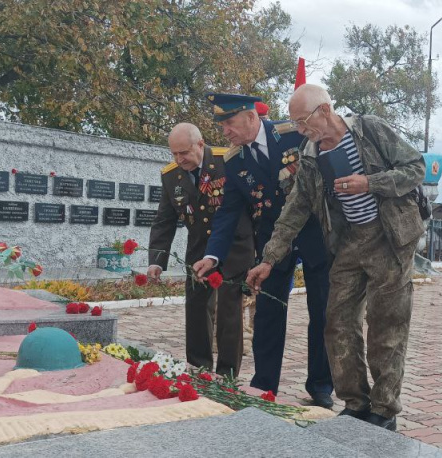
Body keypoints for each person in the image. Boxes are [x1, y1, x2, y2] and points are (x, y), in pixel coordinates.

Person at [246, 84, 425, 431]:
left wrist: (370, 183)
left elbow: (415, 167)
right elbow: (295, 207)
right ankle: (356, 403)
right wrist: (269, 258)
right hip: (348, 243)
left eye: (302, 122)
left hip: (390, 239)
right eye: (296, 124)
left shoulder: (370, 129)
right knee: (336, 323)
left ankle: (384, 410)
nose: (300, 130)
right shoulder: (309, 152)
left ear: (324, 111)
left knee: (386, 325)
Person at [191, 93, 334, 408]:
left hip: (314, 237)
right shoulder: (234, 160)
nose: (224, 131)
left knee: (322, 311)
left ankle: (321, 386)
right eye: (222, 125)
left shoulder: (294, 135)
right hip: (272, 245)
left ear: (250, 116)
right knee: (268, 314)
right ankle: (264, 385)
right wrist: (212, 255)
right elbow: (228, 212)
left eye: (229, 123)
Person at [147, 123, 254, 377]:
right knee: (196, 311)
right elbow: (164, 220)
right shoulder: (171, 175)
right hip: (198, 251)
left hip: (234, 247)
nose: (179, 158)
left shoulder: (227, 160)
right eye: (173, 153)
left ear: (200, 144)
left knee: (229, 312)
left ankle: (228, 374)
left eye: (183, 152)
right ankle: (199, 370)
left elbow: (251, 205)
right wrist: (156, 261)